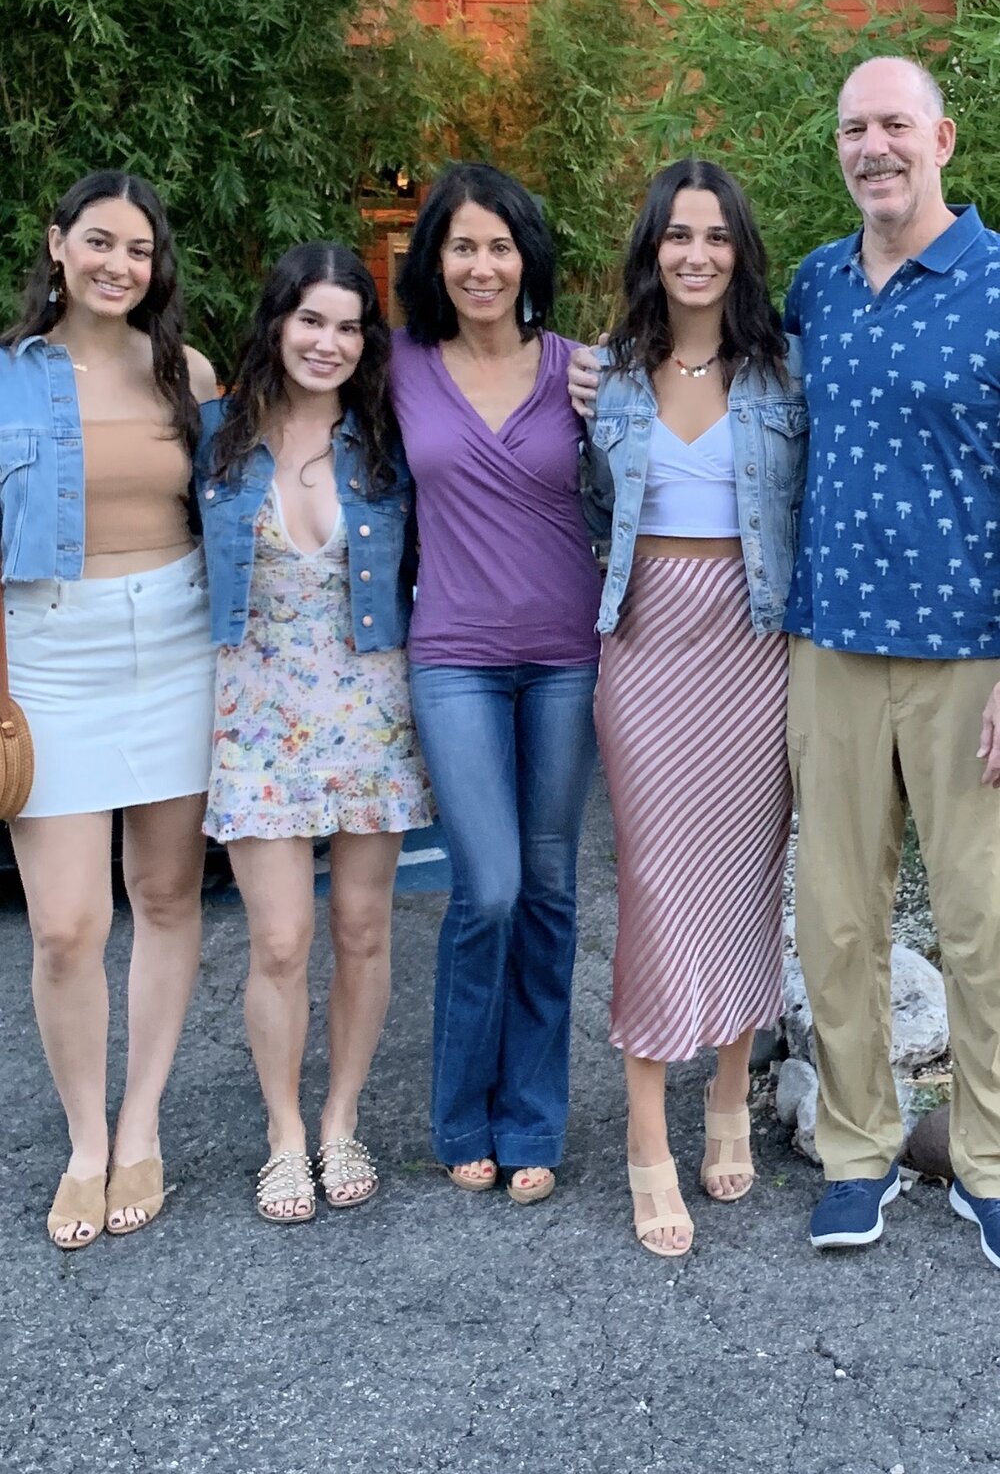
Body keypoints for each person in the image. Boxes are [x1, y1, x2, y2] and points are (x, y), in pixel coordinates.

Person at [779, 56, 1000, 1266]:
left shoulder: (997, 283)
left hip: (971, 655)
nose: (874, 145)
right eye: (854, 126)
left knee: (982, 922)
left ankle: (987, 1160)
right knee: (839, 920)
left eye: (894, 124)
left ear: (942, 140)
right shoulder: (816, 282)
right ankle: (858, 1149)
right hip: (832, 649)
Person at [579, 159, 806, 1256]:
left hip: (753, 637)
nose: (696, 253)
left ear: (738, 251)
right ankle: (642, 1133)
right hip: (645, 637)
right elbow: (584, 505)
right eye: (677, 235)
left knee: (740, 868)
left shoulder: (784, 370)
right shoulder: (608, 376)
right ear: (651, 250)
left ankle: (725, 1091)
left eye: (715, 235)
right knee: (656, 875)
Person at [0, 170, 218, 1249]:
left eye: (137, 249)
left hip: (175, 638)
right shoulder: (4, 376)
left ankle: (141, 1128)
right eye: (98, 242)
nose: (117, 265)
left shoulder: (190, 373)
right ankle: (84, 1138)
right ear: (57, 245)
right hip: (46, 649)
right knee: (65, 925)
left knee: (167, 894)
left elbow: (236, 506)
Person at [198, 242, 433, 1223]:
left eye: (347, 325)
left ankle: (340, 1119)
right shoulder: (214, 435)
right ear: (277, 321)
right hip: (255, 710)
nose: (327, 341)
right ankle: (282, 1133)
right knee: (283, 938)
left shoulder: (388, 440)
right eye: (310, 320)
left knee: (363, 925)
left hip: (371, 704)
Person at [392, 162, 602, 1204]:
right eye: (462, 245)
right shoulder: (397, 369)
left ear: (528, 258)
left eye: (499, 245)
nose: (482, 263)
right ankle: (458, 1109)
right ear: (435, 258)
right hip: (455, 658)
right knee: (490, 885)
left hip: (567, 654)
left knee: (553, 888)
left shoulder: (583, 371)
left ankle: (532, 1118)